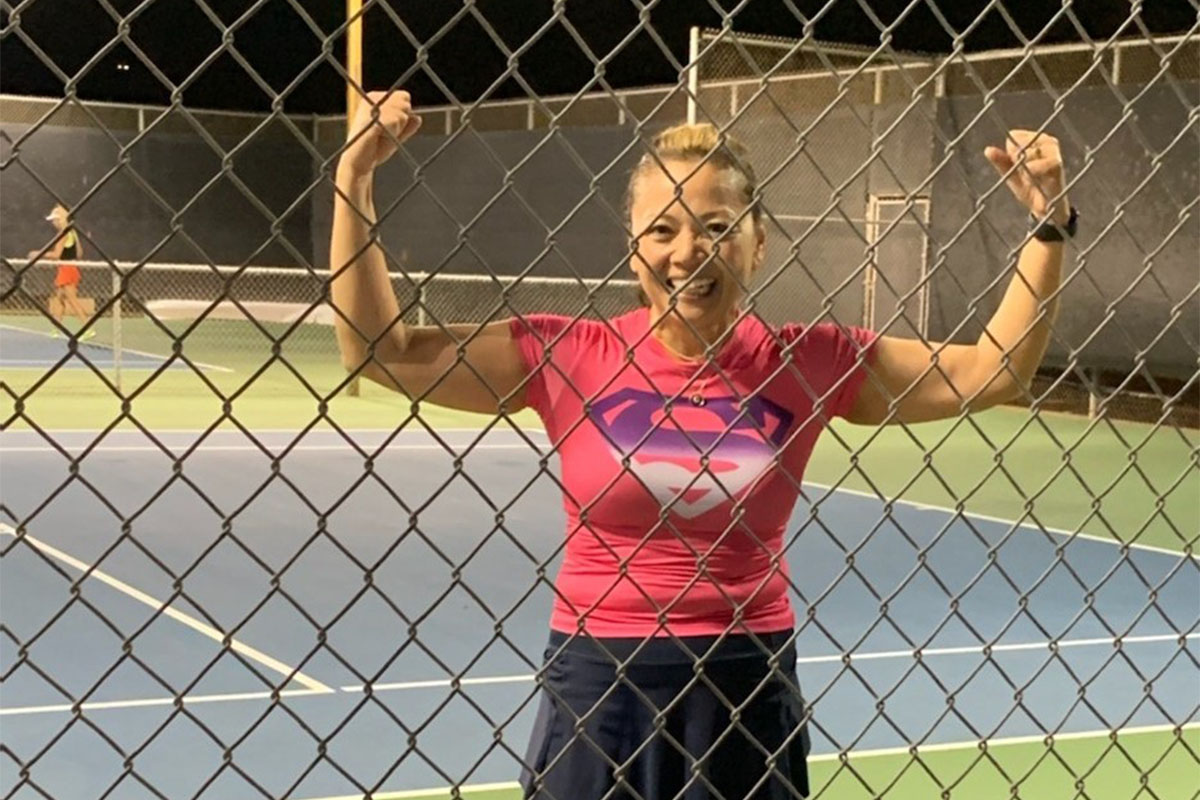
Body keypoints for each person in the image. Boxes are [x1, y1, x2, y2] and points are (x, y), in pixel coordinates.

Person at [329, 91, 1073, 799]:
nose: (688, 250)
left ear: (757, 245)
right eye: (663, 230)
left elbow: (995, 369)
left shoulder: (808, 363)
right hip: (600, 686)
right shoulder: (568, 355)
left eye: (716, 226)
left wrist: (1049, 225)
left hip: (746, 684)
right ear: (634, 252)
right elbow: (377, 348)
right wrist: (353, 178)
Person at [28, 204, 93, 338]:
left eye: (54, 220)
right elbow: (79, 253)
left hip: (67, 269)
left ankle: (88, 329)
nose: (53, 222)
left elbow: (56, 255)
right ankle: (56, 329)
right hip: (70, 268)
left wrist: (38, 254)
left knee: (72, 301)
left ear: (60, 220)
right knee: (59, 299)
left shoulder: (63, 234)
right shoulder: (72, 232)